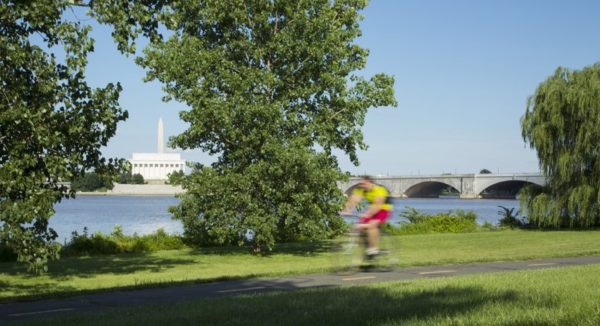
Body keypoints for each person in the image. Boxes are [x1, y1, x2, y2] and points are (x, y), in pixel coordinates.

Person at [341, 176, 393, 258]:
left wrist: (367, 214)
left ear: (371, 183)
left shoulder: (379, 190)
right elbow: (353, 199)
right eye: (362, 184)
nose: (363, 186)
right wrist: (346, 209)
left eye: (365, 184)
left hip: (383, 209)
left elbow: (377, 205)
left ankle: (373, 249)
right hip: (372, 208)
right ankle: (368, 248)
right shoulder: (361, 189)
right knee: (359, 226)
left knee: (371, 225)